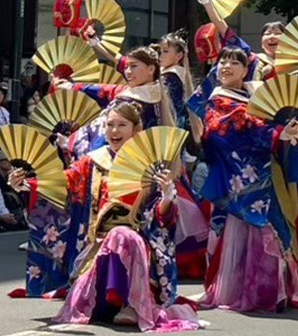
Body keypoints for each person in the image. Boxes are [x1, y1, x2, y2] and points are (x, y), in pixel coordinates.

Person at [196, 47, 298, 312]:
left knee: (278, 225)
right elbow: (226, 128)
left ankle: (276, 289)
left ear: (245, 69)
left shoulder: (257, 92)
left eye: (234, 63)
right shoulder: (217, 99)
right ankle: (251, 289)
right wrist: (276, 133)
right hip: (237, 174)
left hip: (268, 170)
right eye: (222, 62)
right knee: (251, 229)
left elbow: (297, 92)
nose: (226, 66)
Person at [54, 104, 203, 332]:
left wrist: (166, 197)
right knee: (81, 304)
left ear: (136, 129)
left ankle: (133, 303)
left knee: (122, 234)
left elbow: (161, 219)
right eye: (110, 125)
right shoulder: (93, 162)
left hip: (138, 246)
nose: (114, 130)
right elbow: (62, 182)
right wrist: (28, 183)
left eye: (122, 125)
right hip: (99, 247)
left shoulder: (150, 164)